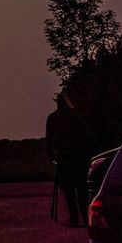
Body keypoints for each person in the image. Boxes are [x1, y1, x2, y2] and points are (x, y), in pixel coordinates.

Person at [45, 91, 89, 226]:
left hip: (65, 158)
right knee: (81, 189)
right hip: (78, 158)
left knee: (69, 189)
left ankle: (75, 218)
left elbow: (49, 141)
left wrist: (52, 156)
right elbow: (85, 138)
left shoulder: (53, 118)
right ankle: (85, 218)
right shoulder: (76, 117)